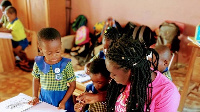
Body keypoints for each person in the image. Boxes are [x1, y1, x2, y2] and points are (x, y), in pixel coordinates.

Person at [105, 36, 180, 112]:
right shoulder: (124, 81)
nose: (111, 76)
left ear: (131, 71)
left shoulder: (167, 94)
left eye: (114, 74)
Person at [28, 28, 76, 111]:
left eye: (57, 51)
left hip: (62, 100)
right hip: (45, 99)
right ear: (41, 49)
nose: (54, 56)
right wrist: (35, 96)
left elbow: (72, 85)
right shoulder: (38, 63)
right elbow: (36, 79)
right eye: (49, 53)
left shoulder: (66, 64)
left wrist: (64, 102)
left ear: (60, 45)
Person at [0, 6, 32, 71]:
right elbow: (6, 28)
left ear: (13, 14)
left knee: (16, 50)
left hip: (22, 41)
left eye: (8, 16)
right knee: (9, 47)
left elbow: (9, 31)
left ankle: (24, 61)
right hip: (15, 41)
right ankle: (19, 58)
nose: (7, 18)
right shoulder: (10, 23)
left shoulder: (17, 23)